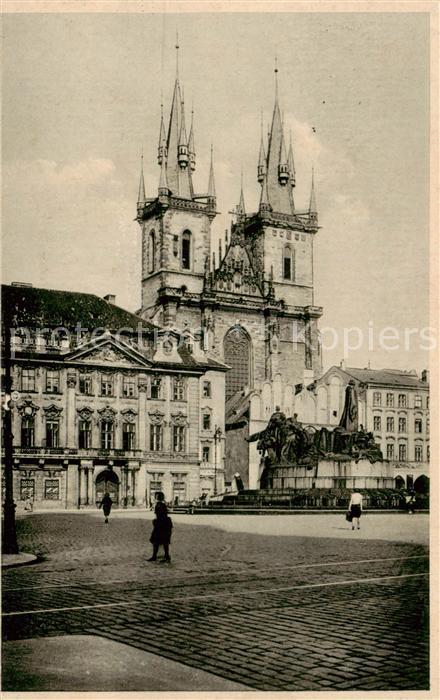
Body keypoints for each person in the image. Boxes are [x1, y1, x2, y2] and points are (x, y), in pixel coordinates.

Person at [148, 492, 172, 562]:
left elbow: (160, 515)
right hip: (164, 524)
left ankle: (156, 556)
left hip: (161, 525)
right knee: (164, 541)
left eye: (156, 496)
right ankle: (165, 556)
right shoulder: (162, 504)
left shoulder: (159, 505)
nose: (155, 497)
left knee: (157, 541)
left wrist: (155, 522)